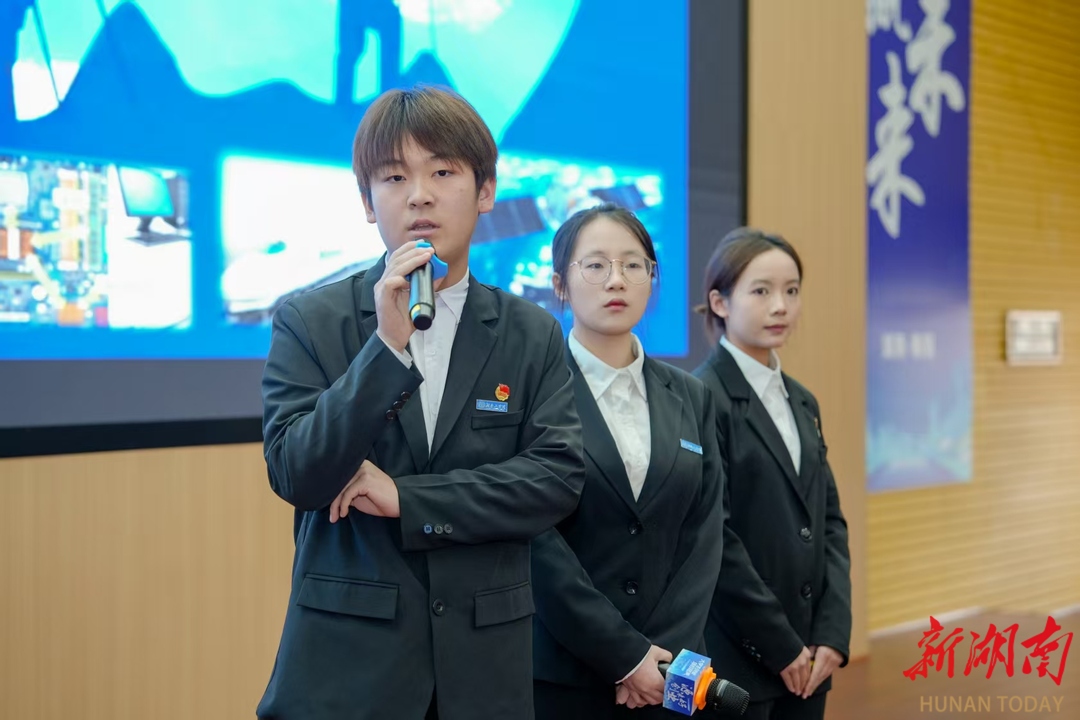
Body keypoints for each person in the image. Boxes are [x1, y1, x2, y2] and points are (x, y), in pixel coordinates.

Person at [256, 85, 585, 720]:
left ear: (485, 191)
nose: (419, 195)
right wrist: (385, 349)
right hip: (348, 674)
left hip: (484, 675)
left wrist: (408, 500)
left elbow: (555, 480)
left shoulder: (531, 331)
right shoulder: (310, 320)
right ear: (367, 201)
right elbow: (298, 474)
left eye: (443, 172)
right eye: (394, 177)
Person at [530, 203, 725, 719]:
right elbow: (536, 541)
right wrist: (624, 656)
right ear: (560, 284)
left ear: (651, 278)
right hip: (567, 673)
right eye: (596, 265)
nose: (616, 279)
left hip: (671, 675)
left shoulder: (691, 395)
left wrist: (662, 659)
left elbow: (704, 535)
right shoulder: (535, 393)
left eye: (633, 265)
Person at [693, 228, 852, 720]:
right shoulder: (701, 398)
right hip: (741, 660)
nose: (781, 306)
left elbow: (828, 521)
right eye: (761, 291)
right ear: (720, 302)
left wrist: (832, 633)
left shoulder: (803, 400)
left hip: (811, 660)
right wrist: (780, 645)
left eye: (792, 290)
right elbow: (715, 538)